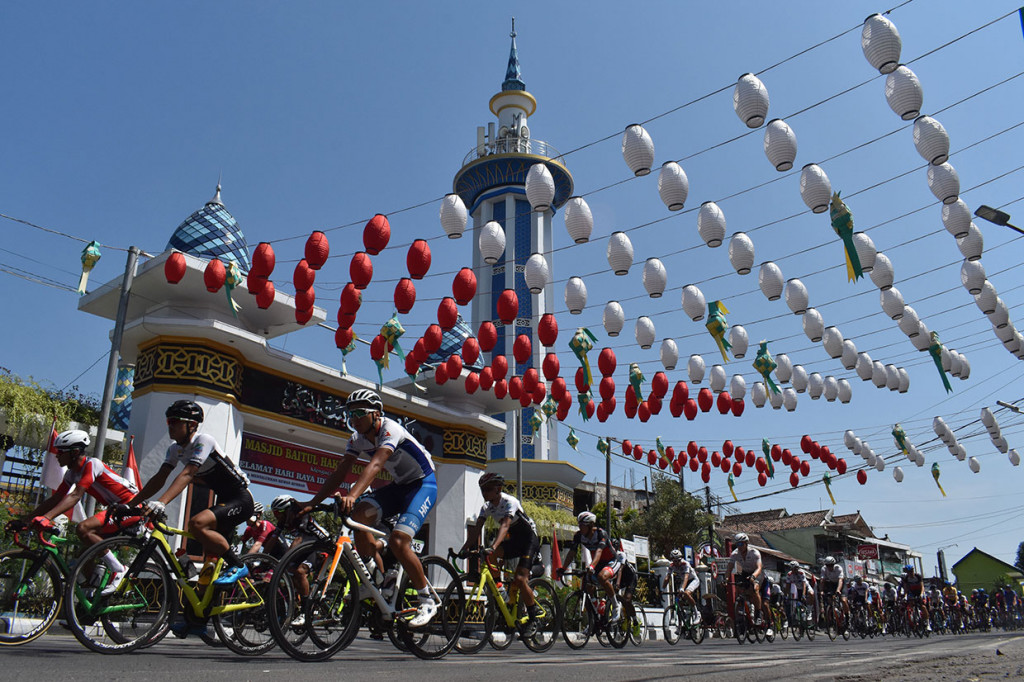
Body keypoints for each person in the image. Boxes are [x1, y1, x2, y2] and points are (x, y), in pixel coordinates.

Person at [299, 388, 438, 628]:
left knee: (398, 540)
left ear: (376, 413)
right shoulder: (357, 439)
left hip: (423, 484)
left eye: (360, 413)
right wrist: (312, 502)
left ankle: (427, 599)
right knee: (358, 516)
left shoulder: (390, 429)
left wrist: (352, 494)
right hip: (399, 486)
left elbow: (375, 465)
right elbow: (340, 472)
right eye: (350, 413)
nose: (354, 419)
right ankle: (376, 575)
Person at [128, 400, 254, 638]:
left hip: (240, 500)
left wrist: (161, 502)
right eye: (168, 421)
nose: (170, 426)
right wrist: (131, 504)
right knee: (208, 571)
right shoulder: (175, 449)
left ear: (192, 425)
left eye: (174, 422)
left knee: (196, 523)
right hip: (223, 503)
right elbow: (159, 477)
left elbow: (188, 473)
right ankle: (196, 623)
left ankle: (239, 565)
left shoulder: (203, 441)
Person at [24, 429, 140, 596]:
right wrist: (27, 520)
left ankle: (119, 569)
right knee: (85, 555)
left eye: (60, 452)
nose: (57, 455)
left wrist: (47, 518)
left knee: (83, 528)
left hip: (130, 507)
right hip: (115, 509)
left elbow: (76, 495)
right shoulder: (72, 473)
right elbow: (56, 498)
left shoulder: (92, 464)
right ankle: (91, 599)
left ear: (75, 452)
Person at [460, 472, 544, 636]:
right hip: (514, 540)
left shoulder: (509, 502)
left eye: (488, 489)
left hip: (528, 540)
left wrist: (493, 545)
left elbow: (505, 525)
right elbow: (476, 529)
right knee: (490, 558)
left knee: (520, 579)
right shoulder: (486, 507)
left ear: (498, 489)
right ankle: (500, 588)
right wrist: (464, 549)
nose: (485, 493)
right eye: (482, 490)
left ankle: (534, 615)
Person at [559, 511, 623, 623]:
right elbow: (572, 553)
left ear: (590, 525)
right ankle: (596, 613)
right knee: (587, 584)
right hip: (597, 563)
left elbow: (599, 551)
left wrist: (592, 566)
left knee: (602, 577)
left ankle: (616, 606)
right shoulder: (579, 536)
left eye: (582, 525)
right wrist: (563, 568)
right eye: (579, 525)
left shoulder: (601, 534)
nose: (579, 527)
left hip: (611, 560)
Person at [726, 532, 770, 626]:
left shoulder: (754, 552)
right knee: (738, 588)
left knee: (755, 588)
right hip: (745, 572)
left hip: (757, 572)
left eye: (741, 544)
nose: (739, 546)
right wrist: (726, 578)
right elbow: (729, 567)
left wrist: (753, 577)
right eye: (737, 544)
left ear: (746, 543)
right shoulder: (735, 554)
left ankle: (758, 614)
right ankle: (745, 608)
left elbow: (759, 567)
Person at [663, 549, 700, 621]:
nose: (676, 563)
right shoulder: (671, 565)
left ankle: (697, 613)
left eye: (678, 560)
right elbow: (667, 577)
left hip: (693, 580)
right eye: (674, 561)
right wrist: (662, 589)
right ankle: (683, 617)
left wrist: (682, 588)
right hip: (684, 581)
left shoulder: (686, 564)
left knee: (686, 593)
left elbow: (686, 577)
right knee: (678, 599)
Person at [898, 564, 930, 630]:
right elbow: (906, 589)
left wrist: (921, 594)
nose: (910, 573)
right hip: (912, 592)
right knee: (910, 604)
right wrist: (905, 596)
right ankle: (914, 617)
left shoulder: (918, 576)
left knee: (923, 606)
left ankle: (928, 623)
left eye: (911, 571)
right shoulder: (907, 578)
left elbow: (922, 587)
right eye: (908, 572)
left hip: (919, 591)